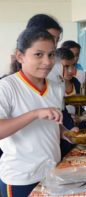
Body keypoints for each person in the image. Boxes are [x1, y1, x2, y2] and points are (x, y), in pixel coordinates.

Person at [0, 27, 75, 196]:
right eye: (38, 54)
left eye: (51, 55)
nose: (48, 62)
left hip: (51, 172)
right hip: (21, 178)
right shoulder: (7, 87)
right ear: (20, 56)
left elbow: (51, 126)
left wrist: (65, 133)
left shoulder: (55, 87)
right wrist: (35, 114)